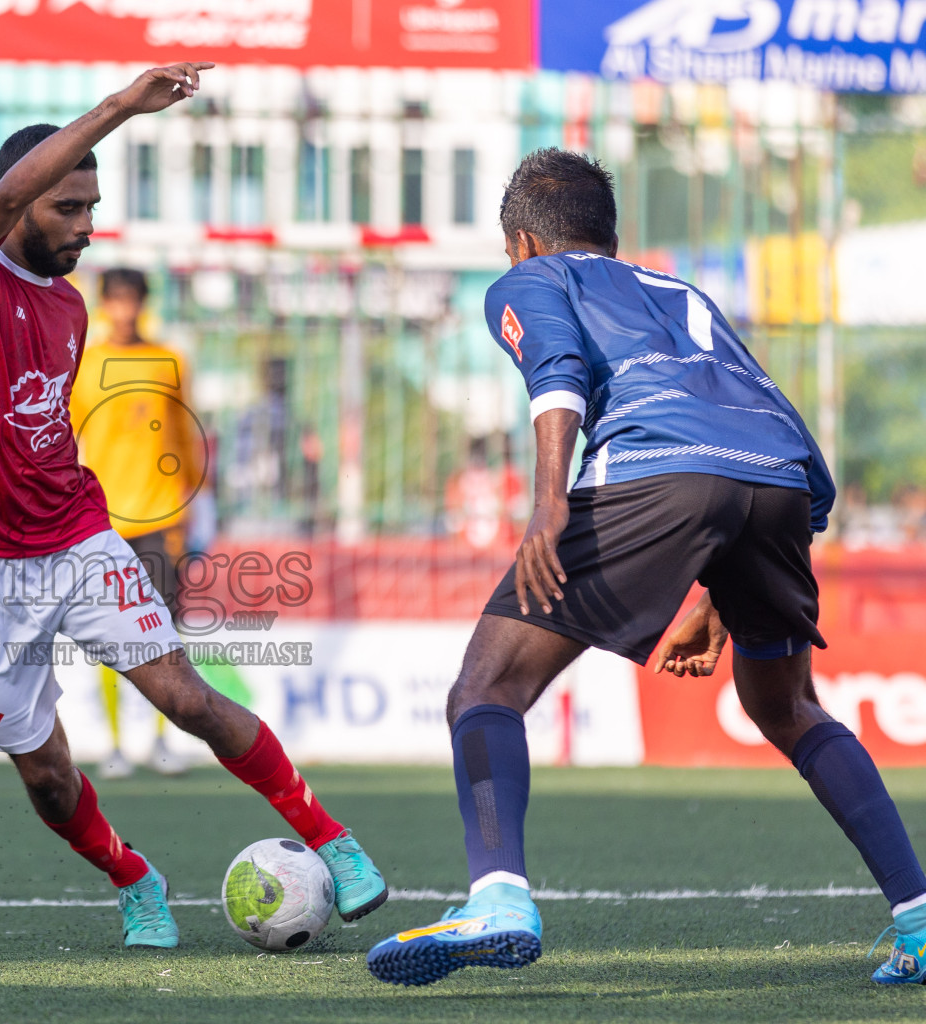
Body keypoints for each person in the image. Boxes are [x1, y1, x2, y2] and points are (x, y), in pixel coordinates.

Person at [368, 148, 926, 987]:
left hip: (658, 475)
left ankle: (498, 897)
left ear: (521, 241)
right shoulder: (683, 294)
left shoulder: (532, 279)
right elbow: (809, 461)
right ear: (614, 236)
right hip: (777, 485)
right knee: (789, 706)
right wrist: (724, 588)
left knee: (487, 687)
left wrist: (550, 503)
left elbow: (557, 376)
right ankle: (919, 917)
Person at [0, 63, 386, 949]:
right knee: (46, 775)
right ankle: (135, 877)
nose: (86, 227)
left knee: (185, 696)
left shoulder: (70, 310)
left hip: (73, 533)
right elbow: (10, 189)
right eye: (68, 209)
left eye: (92, 208)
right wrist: (123, 105)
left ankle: (332, 839)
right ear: (21, 207)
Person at [69, 268, 204, 779]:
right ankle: (116, 744)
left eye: (132, 301)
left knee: (164, 632)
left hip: (162, 513)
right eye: (116, 302)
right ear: (104, 305)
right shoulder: (86, 362)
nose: (124, 311)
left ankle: (166, 739)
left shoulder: (170, 360)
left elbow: (186, 433)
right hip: (101, 516)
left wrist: (197, 501)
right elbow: (67, 432)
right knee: (108, 635)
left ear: (143, 304)